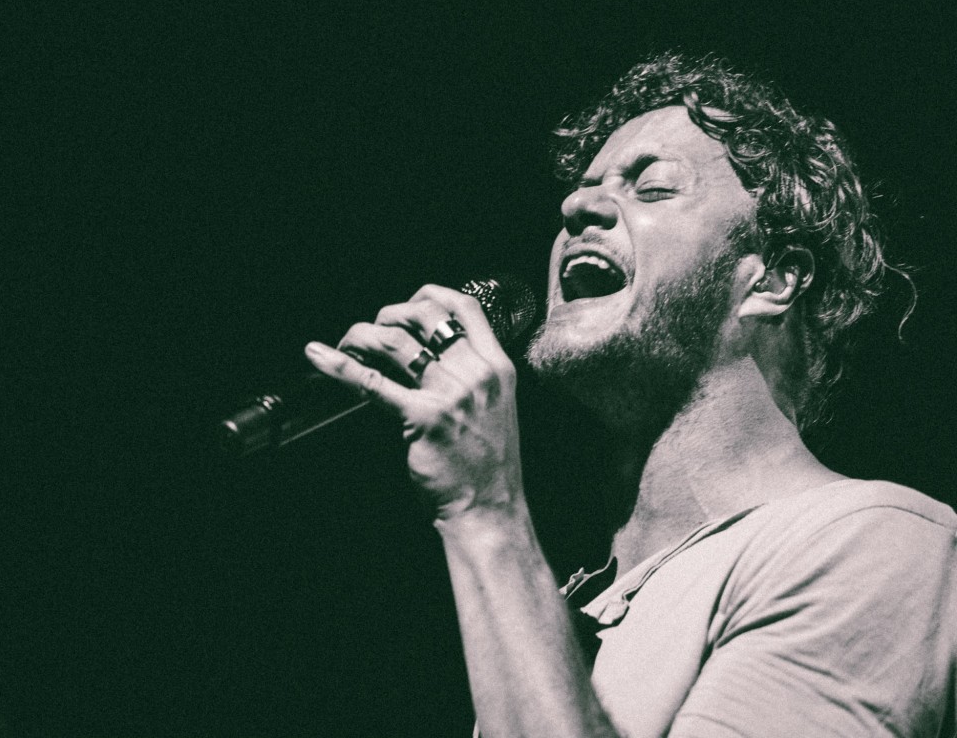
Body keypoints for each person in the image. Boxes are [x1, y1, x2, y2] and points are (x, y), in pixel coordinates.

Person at [303, 53, 957, 738]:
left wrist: (485, 509)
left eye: (653, 189)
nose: (577, 207)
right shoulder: (566, 600)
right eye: (583, 189)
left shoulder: (874, 543)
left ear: (773, 280)